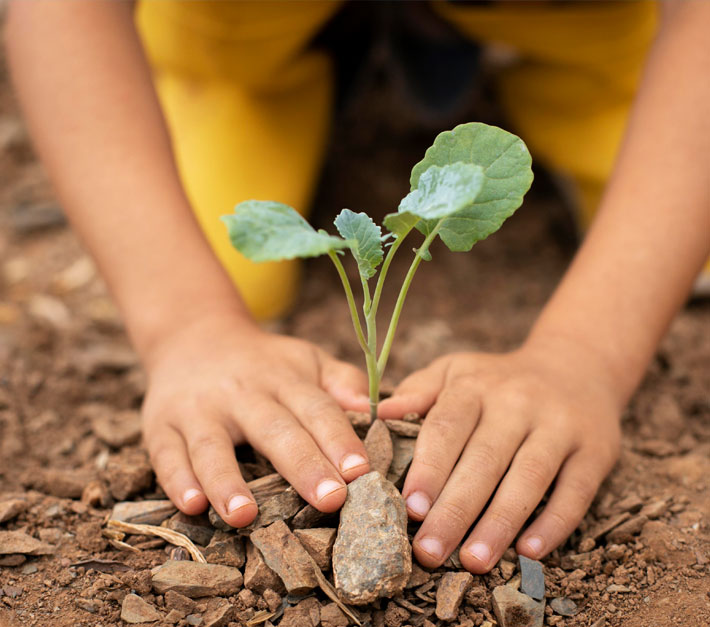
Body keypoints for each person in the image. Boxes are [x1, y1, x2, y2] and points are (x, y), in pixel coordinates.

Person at [5, 1, 710, 574]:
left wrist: (583, 356)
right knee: (218, 265)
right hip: (241, 24)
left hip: (570, 17)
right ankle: (274, 71)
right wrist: (188, 325)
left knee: (677, 244)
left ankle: (548, 67)